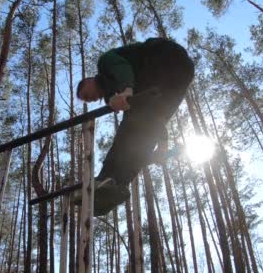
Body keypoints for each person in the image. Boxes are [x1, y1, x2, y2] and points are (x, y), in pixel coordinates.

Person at [74, 37, 195, 216]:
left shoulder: (105, 62)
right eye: (86, 100)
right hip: (180, 77)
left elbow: (122, 68)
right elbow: (156, 119)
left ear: (90, 80)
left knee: (130, 125)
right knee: (144, 124)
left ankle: (107, 178)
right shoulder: (113, 97)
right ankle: (116, 186)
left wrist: (127, 89)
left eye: (86, 94)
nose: (89, 99)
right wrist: (162, 147)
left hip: (163, 55)